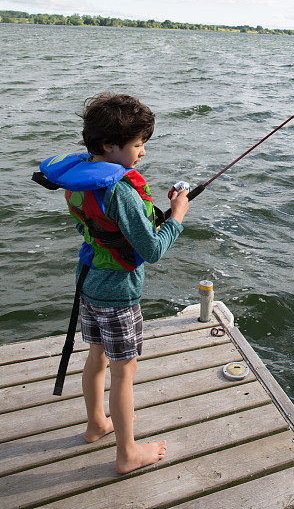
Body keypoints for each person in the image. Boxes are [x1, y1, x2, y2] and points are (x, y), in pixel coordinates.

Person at [38, 92, 189, 473]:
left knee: (97, 357)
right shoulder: (120, 190)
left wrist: (154, 214)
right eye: (138, 145)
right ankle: (127, 453)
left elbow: (103, 228)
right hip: (119, 294)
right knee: (124, 373)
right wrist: (176, 216)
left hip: (88, 282)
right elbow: (152, 249)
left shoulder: (76, 177)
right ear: (109, 144)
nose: (142, 153)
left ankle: (95, 424)